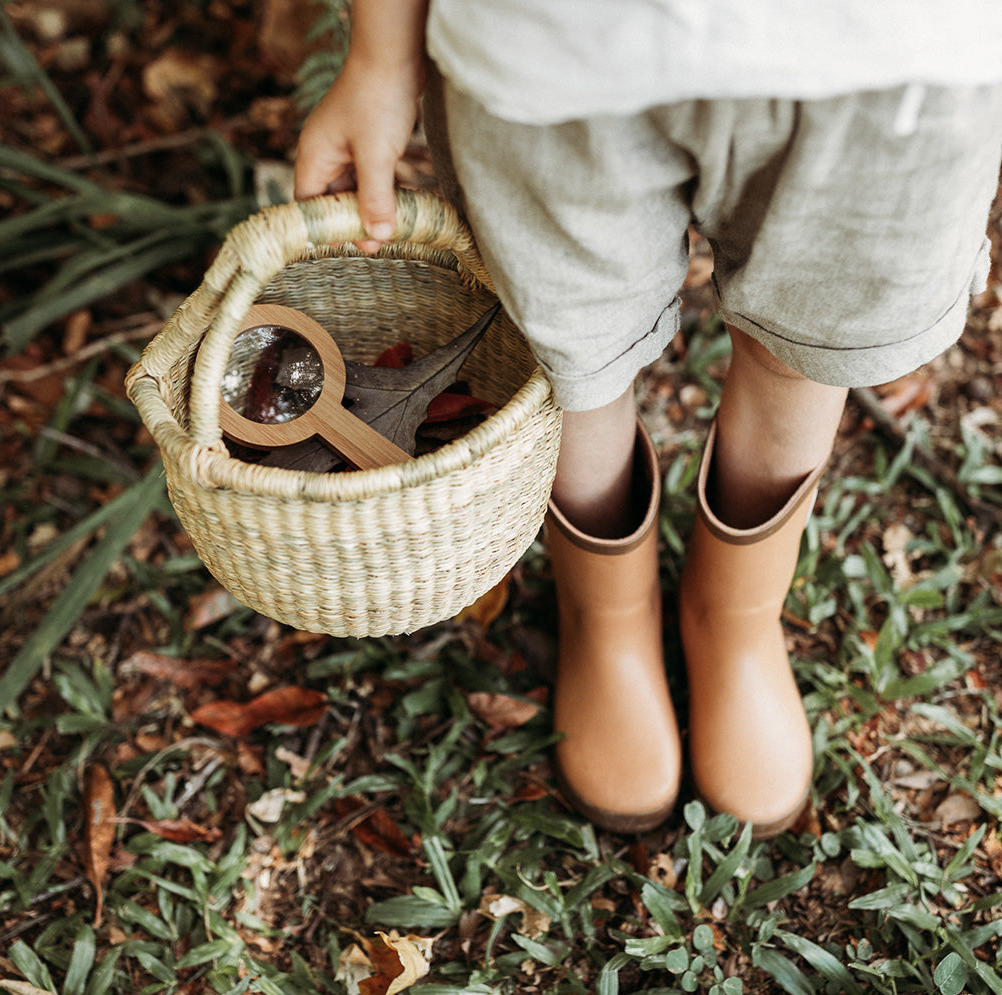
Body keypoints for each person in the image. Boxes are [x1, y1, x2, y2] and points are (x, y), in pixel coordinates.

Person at [294, 0, 1002, 836]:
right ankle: (608, 615)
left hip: (892, 53)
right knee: (575, 353)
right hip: (552, 46)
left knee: (805, 343)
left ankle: (735, 616)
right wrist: (381, 52)